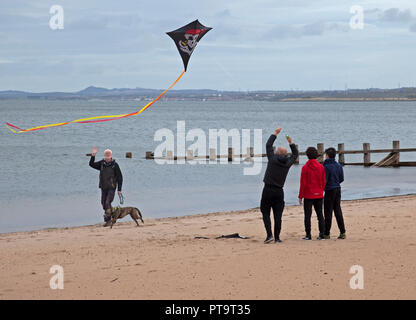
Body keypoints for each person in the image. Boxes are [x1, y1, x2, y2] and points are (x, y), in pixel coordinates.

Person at [261, 127, 298, 244]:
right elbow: (295, 154)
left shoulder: (272, 159)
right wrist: (291, 142)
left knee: (265, 212)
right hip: (279, 191)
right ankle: (276, 238)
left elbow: (268, 145)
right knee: (278, 215)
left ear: (277, 153)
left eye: (276, 150)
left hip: (268, 189)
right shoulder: (287, 163)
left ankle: (270, 235)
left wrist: (275, 134)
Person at [89, 147, 123, 227]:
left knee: (108, 202)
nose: (107, 155)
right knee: (103, 204)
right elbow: (91, 164)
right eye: (106, 154)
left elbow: (120, 177)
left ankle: (108, 220)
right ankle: (112, 215)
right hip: (103, 187)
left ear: (111, 155)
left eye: (109, 154)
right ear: (104, 155)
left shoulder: (115, 165)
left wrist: (119, 189)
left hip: (112, 187)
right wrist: (93, 155)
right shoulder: (102, 163)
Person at [298, 147, 326, 240]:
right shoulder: (321, 167)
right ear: (316, 155)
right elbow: (323, 181)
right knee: (320, 214)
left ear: (307, 156)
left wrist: (300, 196)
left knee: (307, 215)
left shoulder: (305, 168)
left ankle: (308, 235)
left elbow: (303, 183)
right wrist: (321, 190)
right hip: (319, 194)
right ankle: (322, 234)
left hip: (308, 195)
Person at [323, 147, 346, 239]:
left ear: (327, 156)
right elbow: (342, 178)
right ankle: (343, 232)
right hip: (337, 188)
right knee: (337, 210)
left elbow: (324, 180)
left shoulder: (326, 166)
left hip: (329, 189)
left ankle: (327, 233)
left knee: (328, 211)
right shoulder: (338, 165)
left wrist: (324, 187)